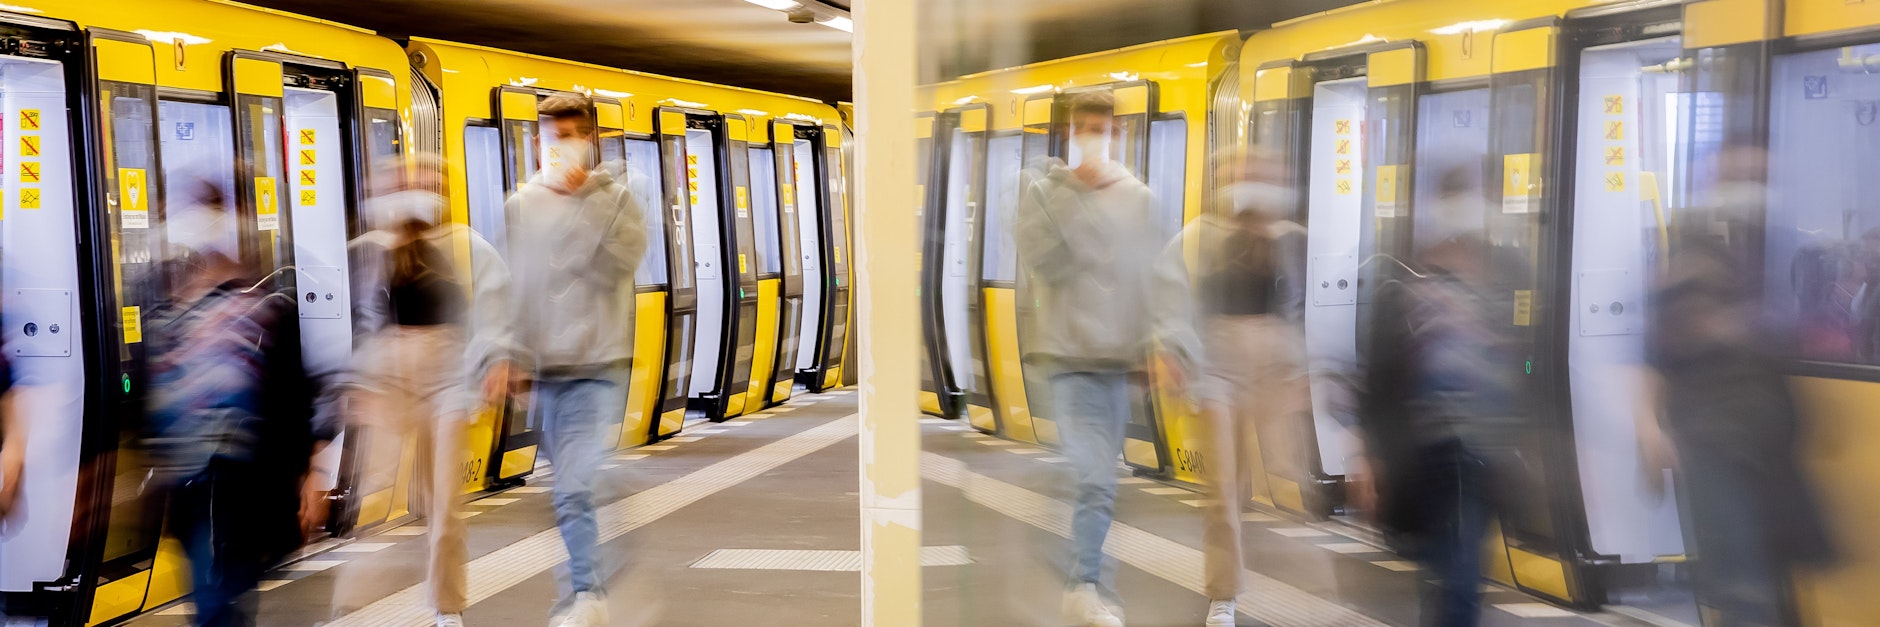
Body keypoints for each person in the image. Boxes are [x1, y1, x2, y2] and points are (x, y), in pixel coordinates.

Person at [1643, 148, 1834, 626]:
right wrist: (1650, 428)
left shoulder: (1773, 251)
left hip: (1765, 448)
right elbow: (1656, 353)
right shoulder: (1688, 262)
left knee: (1768, 585)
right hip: (1716, 444)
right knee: (1748, 591)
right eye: (1743, 178)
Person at [330, 154, 516, 627]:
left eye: (431, 183)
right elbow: (367, 322)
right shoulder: (372, 249)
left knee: (444, 501)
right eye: (410, 182)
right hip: (390, 374)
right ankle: (350, 605)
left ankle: (447, 605)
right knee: (371, 491)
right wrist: (361, 382)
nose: (419, 190)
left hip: (448, 372)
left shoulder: (469, 248)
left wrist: (494, 360)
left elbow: (491, 314)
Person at [143, 168, 330, 627]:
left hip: (236, 485)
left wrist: (311, 477)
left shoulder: (264, 310)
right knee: (214, 599)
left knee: (216, 604)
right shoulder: (166, 306)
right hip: (188, 487)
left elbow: (297, 398)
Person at [1012, 90, 1165, 627]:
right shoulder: (1043, 193)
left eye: (1102, 126)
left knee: (1098, 477)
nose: (1093, 135)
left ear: (1117, 131)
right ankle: (1085, 582)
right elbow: (1046, 264)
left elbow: (1149, 278)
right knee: (1095, 476)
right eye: (1084, 126)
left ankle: (1082, 578)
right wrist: (1072, 195)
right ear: (1070, 133)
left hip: (1117, 360)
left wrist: (1153, 346)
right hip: (1068, 353)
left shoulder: (1139, 199)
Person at [503, 94, 648, 627]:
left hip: (597, 364)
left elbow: (617, 268)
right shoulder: (521, 205)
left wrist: (586, 200)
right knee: (570, 487)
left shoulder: (619, 201)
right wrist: (512, 354)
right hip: (547, 371)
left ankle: (586, 595)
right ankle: (596, 572)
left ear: (591, 139)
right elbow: (520, 285)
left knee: (572, 487)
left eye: (572, 134)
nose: (562, 146)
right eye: (553, 135)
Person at [1150, 148, 1307, 627]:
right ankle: (1224, 596)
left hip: (1269, 370)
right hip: (1214, 366)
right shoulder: (1195, 240)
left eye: (1259, 174)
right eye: (1239, 174)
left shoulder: (1291, 240)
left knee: (1285, 470)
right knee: (1222, 490)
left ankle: (1308, 585)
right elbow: (1172, 305)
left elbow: (1297, 310)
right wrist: (1172, 354)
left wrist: (1297, 372)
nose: (1249, 183)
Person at [1360, 166, 1522, 627]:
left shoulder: (1506, 277)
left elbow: (1525, 359)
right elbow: (1381, 375)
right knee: (1452, 571)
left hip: (1483, 449)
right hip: (1428, 450)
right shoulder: (1405, 282)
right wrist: (1373, 456)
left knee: (1459, 572)